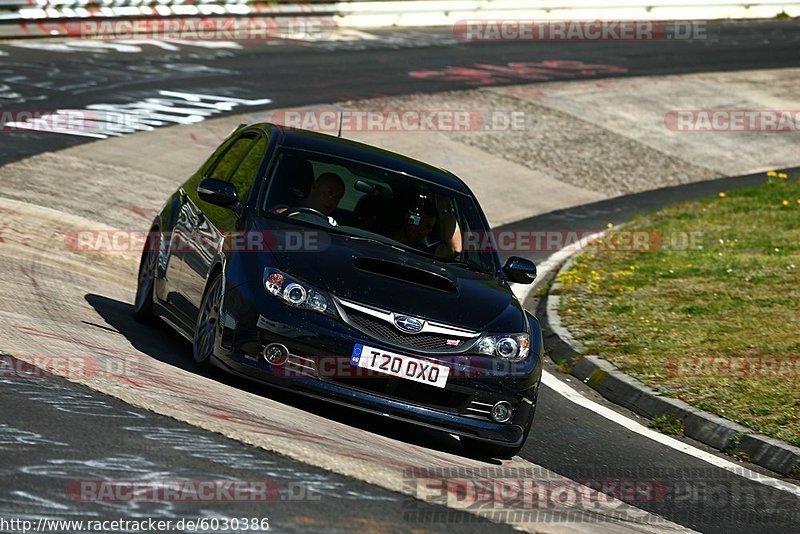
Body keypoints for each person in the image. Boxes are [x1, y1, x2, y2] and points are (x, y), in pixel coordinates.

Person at [394, 194, 462, 258]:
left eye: (428, 227)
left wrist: (446, 207)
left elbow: (455, 248)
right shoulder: (385, 238)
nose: (422, 229)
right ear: (408, 216)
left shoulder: (425, 253)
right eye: (418, 221)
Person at [275, 172, 345, 225]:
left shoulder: (334, 224)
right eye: (330, 193)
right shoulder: (286, 204)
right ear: (314, 187)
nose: (332, 201)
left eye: (337, 197)